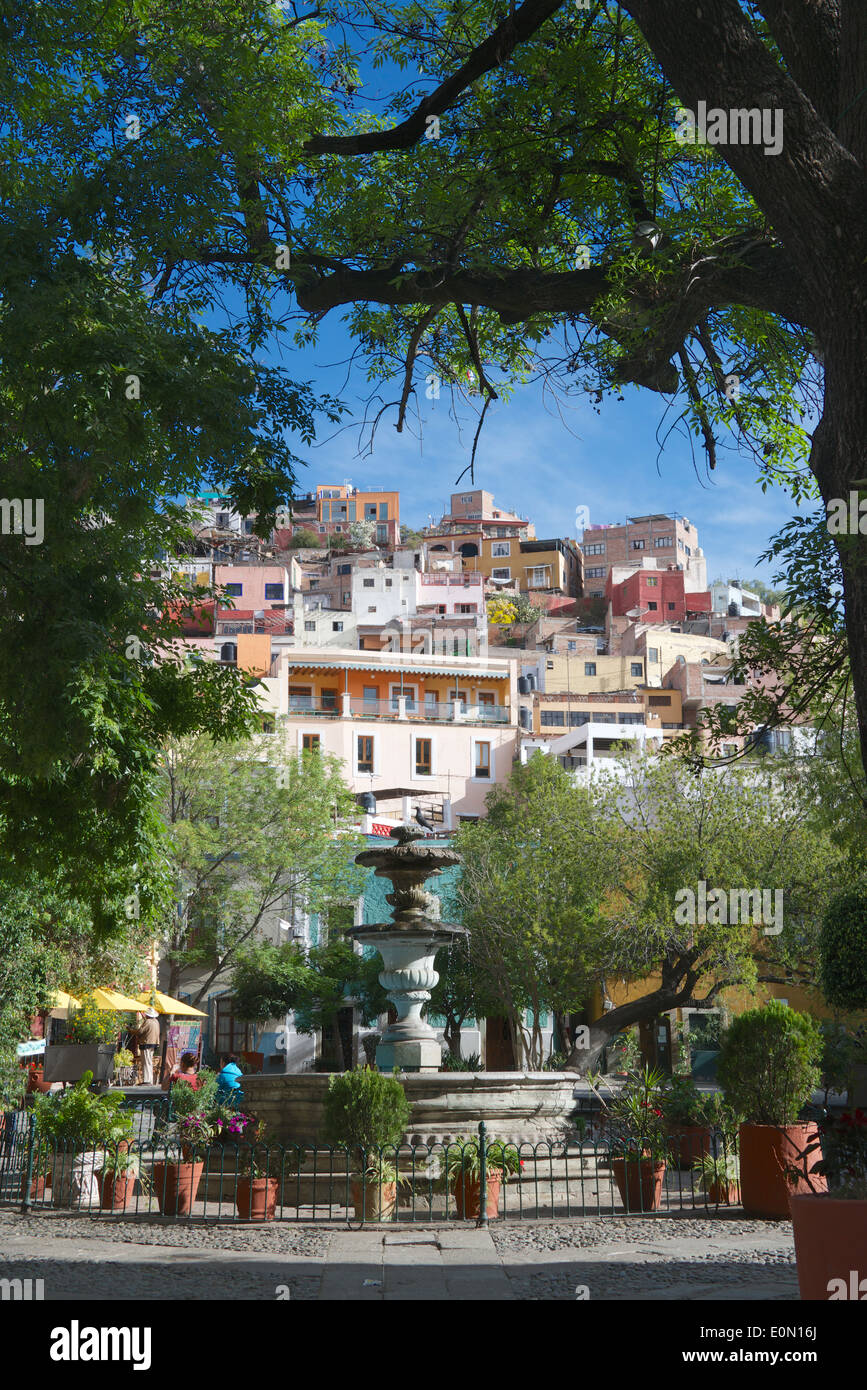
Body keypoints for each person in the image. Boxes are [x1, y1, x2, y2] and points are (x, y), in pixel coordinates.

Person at [136, 1009, 161, 1085]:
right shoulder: (156, 1022)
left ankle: (147, 1080)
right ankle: (150, 1079)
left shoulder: (148, 1021)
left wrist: (133, 1031)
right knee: (149, 1062)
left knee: (146, 1062)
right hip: (153, 1043)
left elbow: (140, 1031)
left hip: (146, 1043)